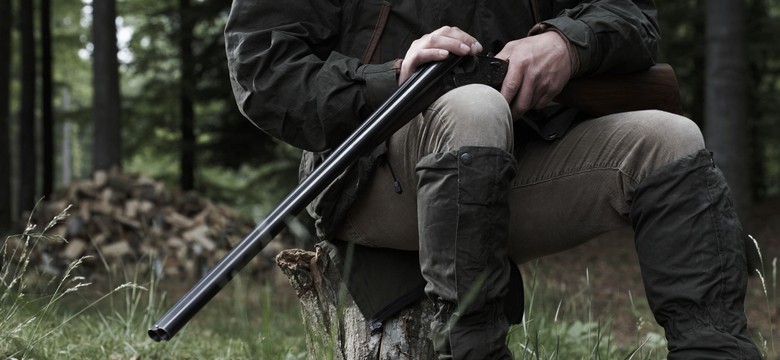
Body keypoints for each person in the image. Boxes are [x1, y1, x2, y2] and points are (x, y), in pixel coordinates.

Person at [224, 1, 762, 359]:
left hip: (513, 164)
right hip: (371, 171)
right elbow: (264, 74)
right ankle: (474, 349)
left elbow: (634, 15)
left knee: (670, 139)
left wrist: (566, 43)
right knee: (474, 105)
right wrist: (392, 79)